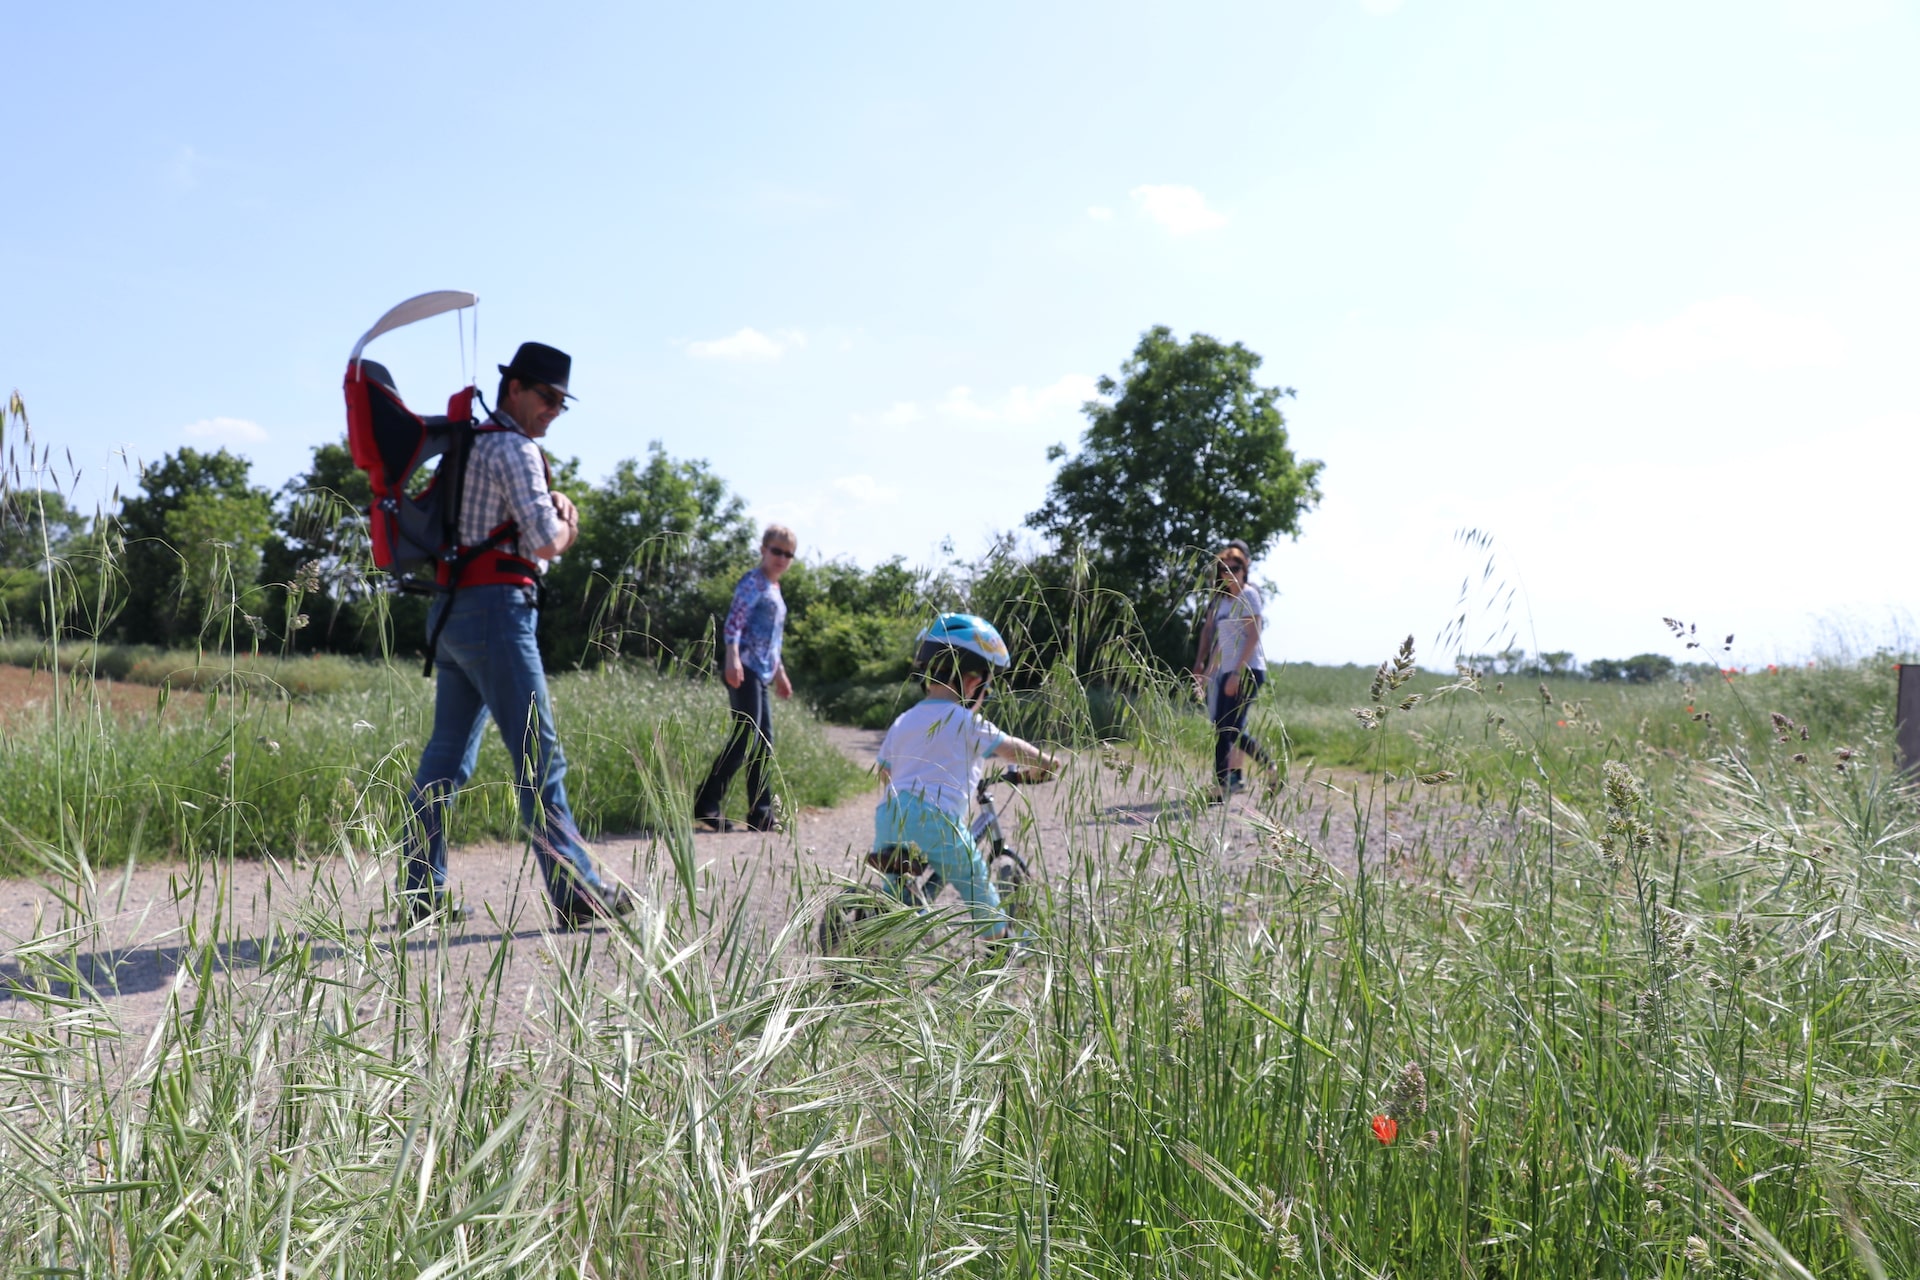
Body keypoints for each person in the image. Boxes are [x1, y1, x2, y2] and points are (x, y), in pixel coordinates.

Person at [400, 341, 634, 929]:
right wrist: (569, 521)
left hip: (450, 616)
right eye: (548, 397)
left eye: (562, 402)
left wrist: (545, 515)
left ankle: (421, 896)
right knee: (540, 757)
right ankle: (576, 890)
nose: (554, 410)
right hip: (497, 614)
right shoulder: (516, 449)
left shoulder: (471, 443)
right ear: (515, 389)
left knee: (445, 760)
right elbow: (546, 542)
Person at [872, 613, 1061, 940]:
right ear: (973, 682)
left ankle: (883, 936)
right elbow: (1011, 748)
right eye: (986, 687)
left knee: (898, 886)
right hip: (937, 820)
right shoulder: (965, 721)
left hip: (889, 815)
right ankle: (1000, 946)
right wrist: (1045, 763)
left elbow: (884, 772)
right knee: (975, 881)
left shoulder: (904, 718)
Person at [693, 525, 797, 832]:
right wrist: (732, 658)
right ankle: (706, 804)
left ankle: (760, 813)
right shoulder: (753, 582)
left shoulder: (775, 589)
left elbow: (772, 640)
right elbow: (734, 623)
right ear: (763, 550)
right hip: (744, 667)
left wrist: (781, 674)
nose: (781, 558)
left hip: (763, 671)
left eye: (788, 554)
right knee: (745, 737)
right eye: (776, 550)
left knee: (763, 742)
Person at [1190, 540, 1275, 799]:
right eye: (1225, 569)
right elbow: (1220, 643)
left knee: (1227, 730)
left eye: (1235, 568)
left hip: (1248, 671)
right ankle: (1269, 769)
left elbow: (1252, 636)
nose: (1230, 573)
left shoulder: (1249, 595)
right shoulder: (1222, 601)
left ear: (1244, 569)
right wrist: (1206, 674)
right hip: (1228, 670)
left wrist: (1237, 672)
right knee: (1225, 728)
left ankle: (1219, 788)